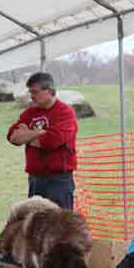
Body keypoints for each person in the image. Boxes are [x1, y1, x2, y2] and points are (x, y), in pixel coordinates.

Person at [7, 72, 78, 209]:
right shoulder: (29, 113)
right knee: (36, 223)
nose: (32, 96)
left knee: (59, 224)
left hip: (59, 180)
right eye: (30, 92)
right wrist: (39, 133)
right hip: (35, 179)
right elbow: (13, 137)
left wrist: (27, 135)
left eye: (35, 92)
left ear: (49, 90)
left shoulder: (65, 112)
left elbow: (52, 140)